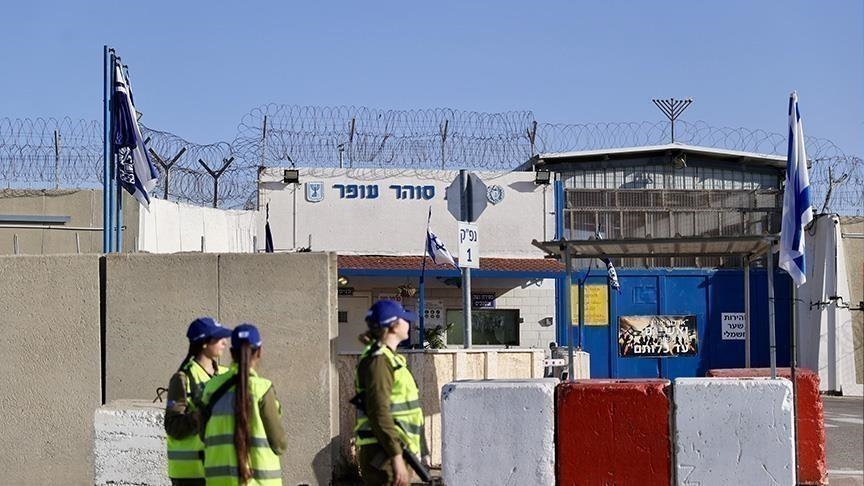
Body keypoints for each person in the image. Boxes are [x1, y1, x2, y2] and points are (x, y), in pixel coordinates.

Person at [200, 323, 287, 486]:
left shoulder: (211, 388)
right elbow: (279, 444)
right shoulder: (263, 389)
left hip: (219, 481)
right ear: (259, 352)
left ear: (232, 353)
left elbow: (202, 435)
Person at [353, 300, 425, 486]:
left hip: (391, 450)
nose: (408, 323)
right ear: (394, 326)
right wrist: (396, 456)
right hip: (385, 454)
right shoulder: (379, 362)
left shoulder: (387, 358)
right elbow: (379, 411)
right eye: (404, 319)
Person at [165, 317, 233, 486]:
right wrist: (197, 417)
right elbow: (172, 426)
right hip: (190, 474)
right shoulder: (183, 378)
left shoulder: (225, 375)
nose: (224, 342)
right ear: (204, 343)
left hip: (218, 469)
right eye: (218, 338)